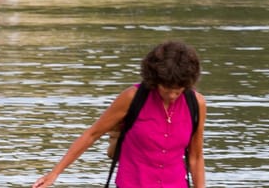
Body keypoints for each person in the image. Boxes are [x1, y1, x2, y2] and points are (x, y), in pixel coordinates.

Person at [32, 40, 206, 188]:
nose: (172, 95)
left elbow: (196, 157)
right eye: (166, 89)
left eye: (178, 90)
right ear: (155, 80)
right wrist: (54, 173)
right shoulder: (132, 98)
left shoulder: (196, 104)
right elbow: (92, 134)